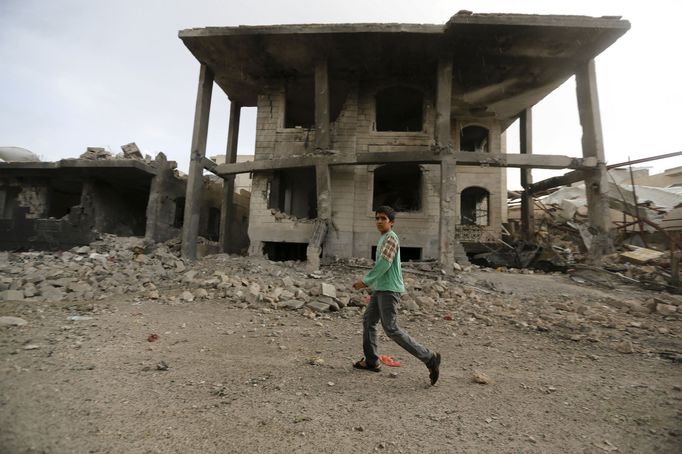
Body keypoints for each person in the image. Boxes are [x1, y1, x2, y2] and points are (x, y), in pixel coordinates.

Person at [352, 205, 441, 386]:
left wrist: (366, 281)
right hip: (381, 288)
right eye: (377, 218)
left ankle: (429, 357)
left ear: (391, 222)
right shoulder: (384, 237)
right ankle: (371, 361)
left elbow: (385, 263)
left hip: (389, 289)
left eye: (383, 218)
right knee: (369, 321)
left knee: (391, 328)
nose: (379, 221)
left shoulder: (391, 238)